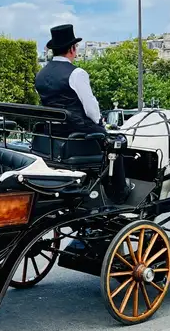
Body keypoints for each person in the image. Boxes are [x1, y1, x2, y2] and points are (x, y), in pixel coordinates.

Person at [35, 24, 131, 203]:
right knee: (116, 143)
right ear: (72, 49)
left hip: (50, 133)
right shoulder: (76, 73)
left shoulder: (41, 74)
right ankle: (119, 192)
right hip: (76, 131)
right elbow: (91, 108)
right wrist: (101, 123)